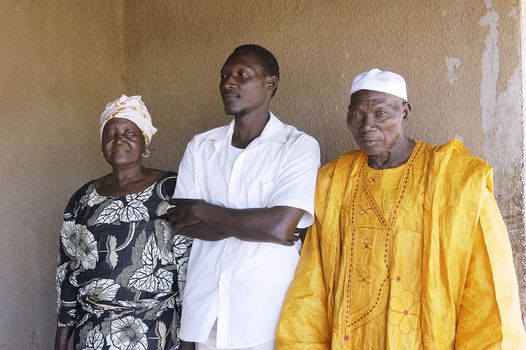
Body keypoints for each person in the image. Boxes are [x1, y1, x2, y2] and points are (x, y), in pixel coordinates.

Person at [276, 68, 526, 349]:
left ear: (405, 113)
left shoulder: (455, 179)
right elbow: (313, 279)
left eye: (381, 113)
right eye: (357, 115)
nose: (367, 125)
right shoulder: (333, 180)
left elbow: (484, 288)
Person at [168, 44, 320, 350]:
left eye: (241, 75)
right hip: (206, 312)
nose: (228, 83)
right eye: (225, 75)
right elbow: (181, 223)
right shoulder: (201, 146)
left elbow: (279, 227)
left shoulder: (297, 146)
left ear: (270, 83)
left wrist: (202, 209)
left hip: (264, 316)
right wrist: (257, 223)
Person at [54, 95, 193, 350]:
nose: (119, 140)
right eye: (110, 133)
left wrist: (188, 342)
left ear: (144, 140)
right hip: (92, 336)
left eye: (129, 132)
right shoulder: (82, 199)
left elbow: (190, 269)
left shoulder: (172, 191)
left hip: (156, 333)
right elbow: (67, 274)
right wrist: (61, 339)